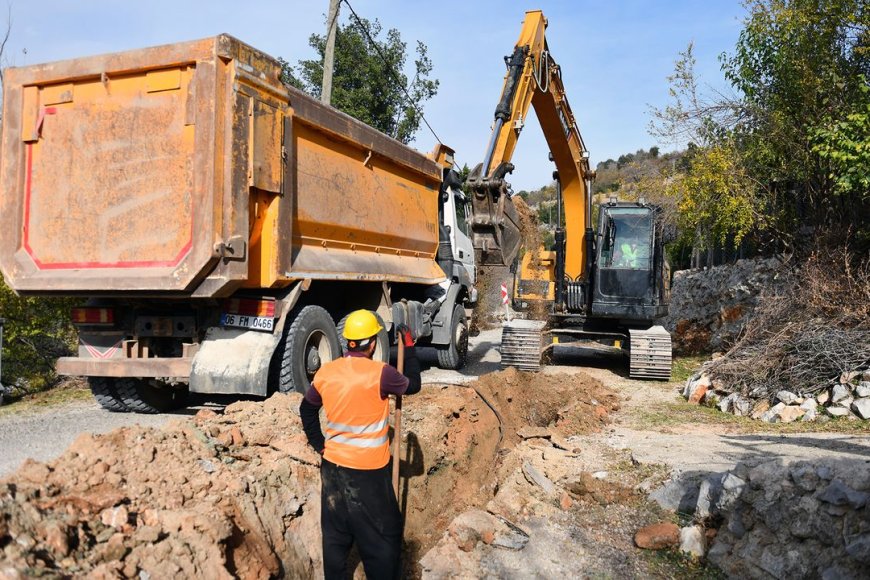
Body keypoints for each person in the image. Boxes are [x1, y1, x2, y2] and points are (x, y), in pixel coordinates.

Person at [299, 309, 421, 580]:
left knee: (335, 539)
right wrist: (409, 347)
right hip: (369, 474)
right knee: (383, 538)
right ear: (373, 343)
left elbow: (307, 411)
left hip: (332, 468)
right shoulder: (381, 374)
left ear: (347, 342)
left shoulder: (327, 373)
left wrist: (320, 445)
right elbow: (413, 386)